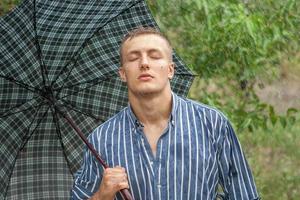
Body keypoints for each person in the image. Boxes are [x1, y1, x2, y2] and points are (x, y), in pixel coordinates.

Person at [71, 27, 260, 200]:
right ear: (122, 73)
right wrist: (101, 196)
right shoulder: (102, 139)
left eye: (154, 56)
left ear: (170, 70)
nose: (144, 63)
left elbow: (244, 195)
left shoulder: (213, 124)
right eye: (134, 58)